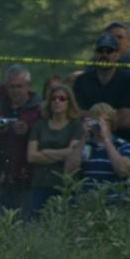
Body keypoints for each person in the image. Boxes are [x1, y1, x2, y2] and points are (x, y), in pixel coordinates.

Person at [0, 64, 43, 215]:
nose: (15, 91)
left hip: (29, 179)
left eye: (19, 86)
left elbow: (48, 138)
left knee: (26, 226)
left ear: (28, 86)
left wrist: (29, 131)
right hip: (1, 177)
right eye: (11, 86)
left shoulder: (39, 110)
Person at [73, 33, 130, 149]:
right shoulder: (81, 81)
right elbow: (76, 115)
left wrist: (92, 117)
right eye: (100, 50)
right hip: (88, 141)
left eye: (109, 51)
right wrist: (111, 116)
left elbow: (126, 120)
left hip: (122, 142)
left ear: (117, 55)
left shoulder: (129, 81)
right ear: (95, 54)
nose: (104, 54)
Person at [27, 84, 83, 214]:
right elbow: (31, 156)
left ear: (69, 102)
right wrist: (61, 155)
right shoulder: (39, 126)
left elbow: (73, 154)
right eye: (54, 98)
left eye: (62, 98)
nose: (57, 101)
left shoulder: (76, 126)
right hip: (40, 185)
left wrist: (45, 152)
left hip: (66, 186)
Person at [68, 103, 130, 193]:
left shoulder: (123, 145)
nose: (99, 125)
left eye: (104, 121)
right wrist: (83, 137)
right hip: (86, 202)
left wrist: (106, 140)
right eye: (96, 120)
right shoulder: (83, 145)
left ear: (111, 123)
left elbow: (123, 171)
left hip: (115, 203)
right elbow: (69, 171)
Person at [103, 21, 130, 90]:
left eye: (119, 37)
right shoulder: (97, 60)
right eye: (111, 37)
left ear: (129, 42)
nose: (115, 41)